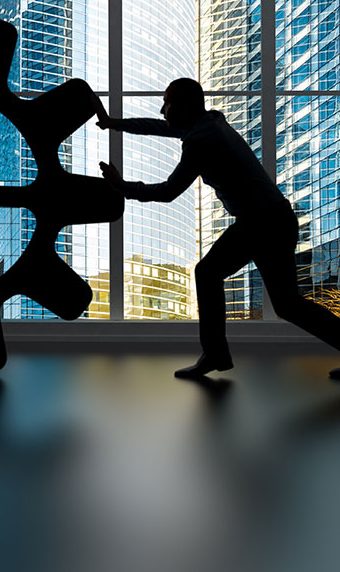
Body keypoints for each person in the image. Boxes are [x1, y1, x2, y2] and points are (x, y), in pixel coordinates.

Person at [95, 78, 340, 380]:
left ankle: (215, 353)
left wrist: (122, 187)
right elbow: (156, 126)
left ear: (185, 106)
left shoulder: (201, 140)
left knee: (208, 273)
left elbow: (169, 191)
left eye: (167, 103)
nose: (162, 109)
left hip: (262, 222)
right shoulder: (209, 122)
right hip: (273, 218)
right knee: (288, 305)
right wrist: (112, 123)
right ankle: (216, 353)